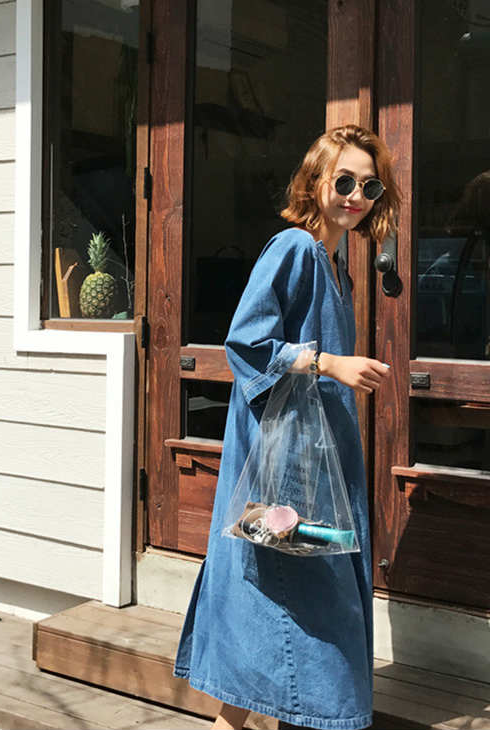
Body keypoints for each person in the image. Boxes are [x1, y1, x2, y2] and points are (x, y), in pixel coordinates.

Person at [173, 124, 401, 730]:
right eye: (344, 181)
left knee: (283, 598)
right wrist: (330, 363)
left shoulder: (335, 263)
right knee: (295, 596)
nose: (356, 196)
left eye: (370, 186)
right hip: (287, 457)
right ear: (315, 182)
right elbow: (246, 341)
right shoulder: (296, 248)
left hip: (312, 452)